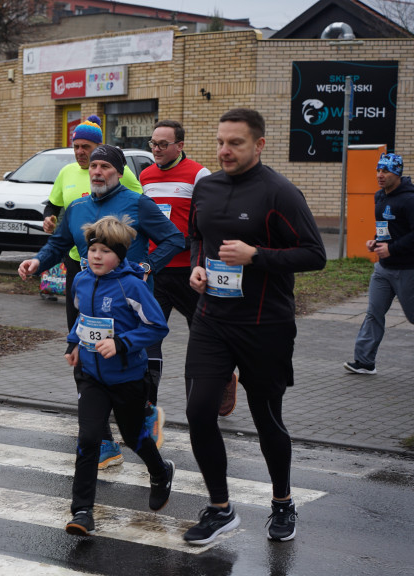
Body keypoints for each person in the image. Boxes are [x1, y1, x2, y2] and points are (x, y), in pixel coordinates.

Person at [182, 108, 325, 546]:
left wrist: (256, 255)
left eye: (236, 143)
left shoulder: (280, 193)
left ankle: (282, 501)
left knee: (267, 420)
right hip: (211, 321)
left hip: (265, 326)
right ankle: (220, 509)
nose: (225, 150)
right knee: (198, 411)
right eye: (221, 141)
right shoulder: (205, 186)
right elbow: (197, 239)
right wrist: (195, 268)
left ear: (259, 145)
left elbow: (315, 255)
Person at [18, 145, 183, 469]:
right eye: (94, 166)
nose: (97, 171)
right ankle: (104, 441)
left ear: (119, 173)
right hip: (88, 297)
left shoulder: (137, 203)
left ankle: (146, 413)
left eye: (105, 166)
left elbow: (174, 239)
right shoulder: (77, 207)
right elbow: (58, 244)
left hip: (127, 301)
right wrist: (37, 261)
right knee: (84, 361)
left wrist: (148, 266)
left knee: (131, 364)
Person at [63, 216, 175, 536]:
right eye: (93, 250)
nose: (96, 256)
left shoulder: (132, 285)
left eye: (104, 251)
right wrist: (74, 343)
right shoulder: (82, 280)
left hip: (127, 378)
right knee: (88, 439)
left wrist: (122, 343)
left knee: (133, 435)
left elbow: (157, 326)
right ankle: (82, 511)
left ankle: (160, 471)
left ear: (120, 256)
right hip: (91, 376)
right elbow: (83, 318)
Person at [139, 121, 238, 417]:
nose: (155, 150)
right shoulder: (144, 176)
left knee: (206, 335)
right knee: (149, 336)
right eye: (152, 144)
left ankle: (223, 379)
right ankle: (147, 404)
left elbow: (210, 224)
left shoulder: (199, 175)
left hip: (190, 272)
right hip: (156, 271)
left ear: (179, 146)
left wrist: (195, 254)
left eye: (162, 145)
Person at [43, 116, 143, 331]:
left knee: (106, 321)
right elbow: (53, 204)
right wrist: (49, 218)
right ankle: (79, 360)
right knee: (76, 323)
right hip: (76, 261)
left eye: (85, 147)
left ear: (98, 146)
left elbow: (139, 202)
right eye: (76, 146)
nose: (79, 151)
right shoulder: (66, 172)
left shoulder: (116, 171)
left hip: (110, 261)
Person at [343, 153, 414, 375]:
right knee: (374, 312)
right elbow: (385, 226)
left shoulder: (410, 200)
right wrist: (376, 240)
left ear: (397, 173)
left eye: (385, 171)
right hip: (383, 269)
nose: (379, 175)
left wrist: (392, 249)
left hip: (407, 269)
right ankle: (365, 362)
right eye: (378, 170)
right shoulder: (379, 196)